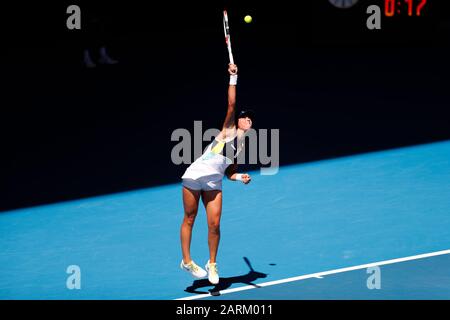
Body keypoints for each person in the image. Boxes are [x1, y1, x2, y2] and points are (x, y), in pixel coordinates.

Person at [179, 63, 254, 285]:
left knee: (214, 224)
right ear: (237, 121)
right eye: (245, 117)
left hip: (213, 182)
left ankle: (212, 263)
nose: (248, 119)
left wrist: (241, 177)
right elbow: (232, 103)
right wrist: (234, 77)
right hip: (195, 175)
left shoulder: (240, 148)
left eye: (251, 118)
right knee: (190, 218)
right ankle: (187, 261)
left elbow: (230, 172)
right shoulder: (228, 129)